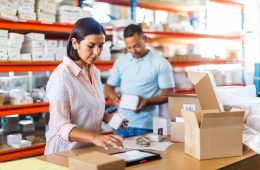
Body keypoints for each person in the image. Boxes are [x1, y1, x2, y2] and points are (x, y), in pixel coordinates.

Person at [45, 18, 125, 154]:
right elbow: (61, 127)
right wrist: (95, 138)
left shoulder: (94, 72)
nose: (97, 52)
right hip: (63, 154)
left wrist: (108, 117)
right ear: (75, 43)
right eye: (91, 45)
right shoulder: (62, 78)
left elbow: (86, 108)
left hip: (88, 151)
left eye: (101, 46)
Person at [105, 24, 175, 138]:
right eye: (129, 47)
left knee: (144, 156)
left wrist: (147, 101)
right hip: (119, 124)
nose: (133, 51)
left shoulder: (160, 63)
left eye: (137, 46)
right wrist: (113, 97)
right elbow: (108, 87)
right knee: (118, 156)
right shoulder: (121, 62)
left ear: (145, 39)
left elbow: (169, 93)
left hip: (145, 126)